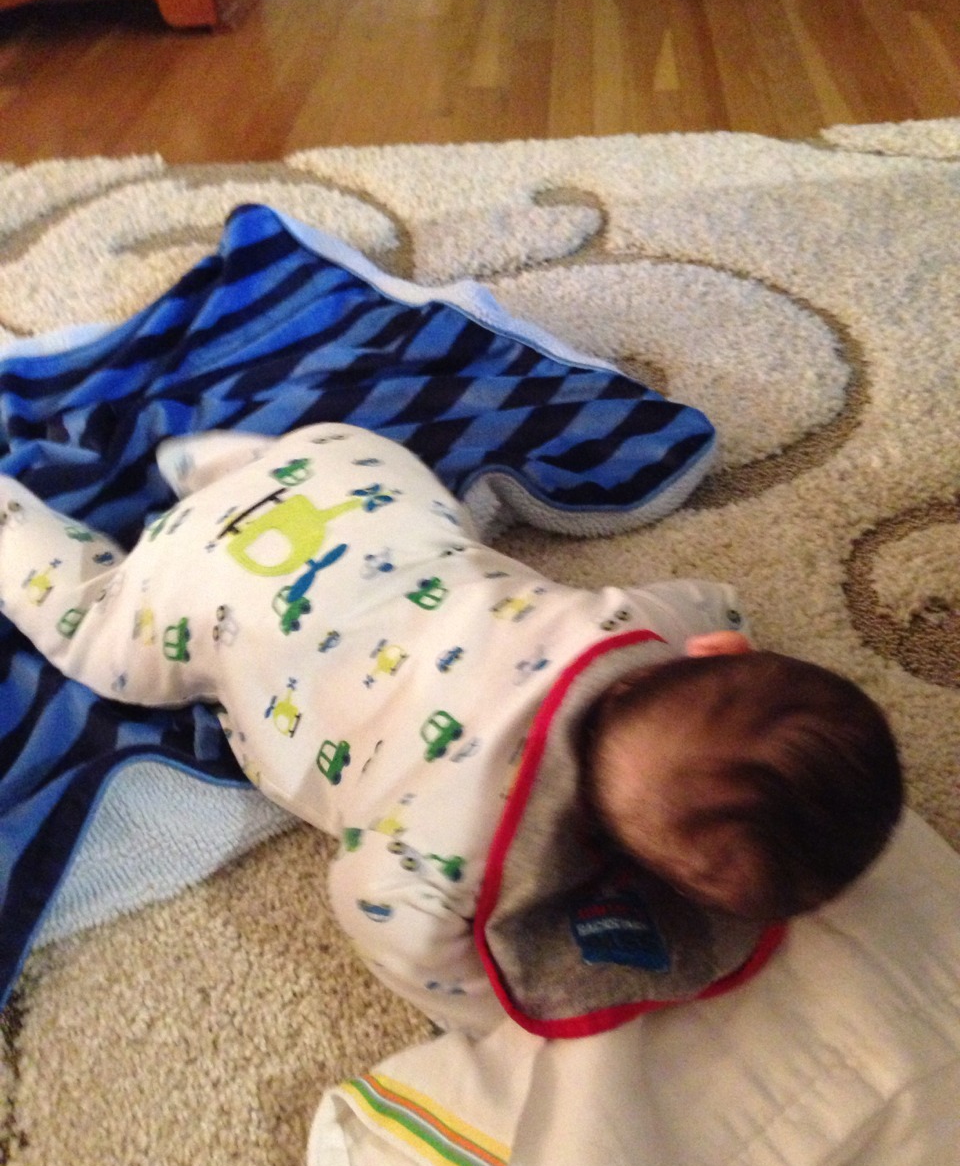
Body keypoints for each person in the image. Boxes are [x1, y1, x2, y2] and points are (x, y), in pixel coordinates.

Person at [0, 423, 903, 1035]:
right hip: (206, 590)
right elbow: (375, 905)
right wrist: (475, 1005)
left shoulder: (649, 625)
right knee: (97, 636)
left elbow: (716, 603)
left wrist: (732, 646)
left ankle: (219, 461)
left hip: (352, 478)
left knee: (416, 508)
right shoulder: (454, 835)